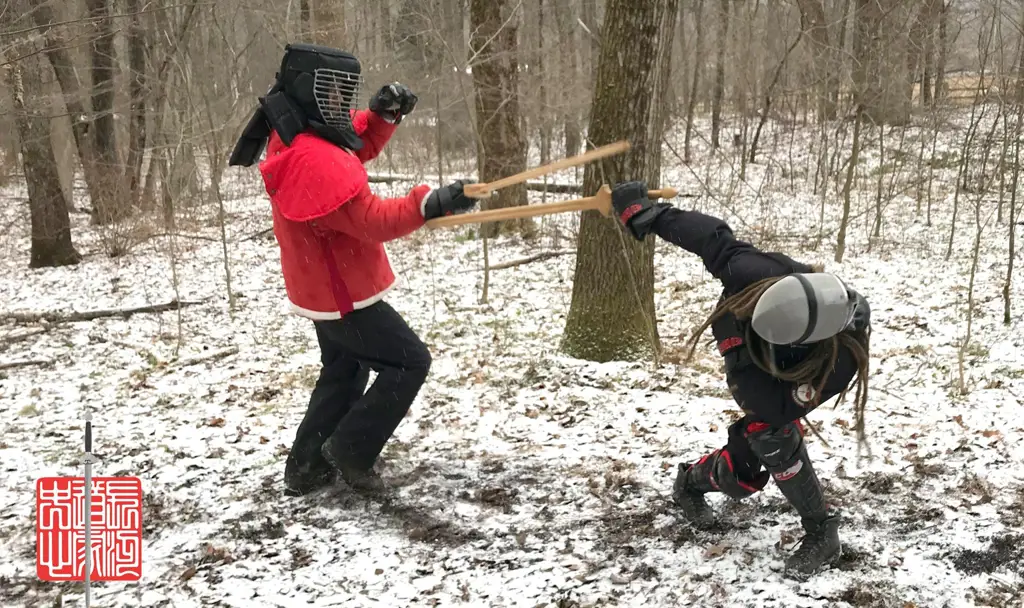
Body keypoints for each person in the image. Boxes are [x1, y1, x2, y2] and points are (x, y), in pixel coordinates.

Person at [228, 43, 477, 497]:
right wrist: (427, 204)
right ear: (309, 89)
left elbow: (344, 143)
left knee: (343, 372)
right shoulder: (309, 158)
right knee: (408, 362)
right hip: (341, 295)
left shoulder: (298, 130)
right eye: (334, 91)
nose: (342, 102)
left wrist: (379, 118)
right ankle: (350, 450)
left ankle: (306, 468)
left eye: (346, 91)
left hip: (322, 288)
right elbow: (370, 219)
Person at [609, 181, 871, 579]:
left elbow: (774, 412)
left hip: (794, 370)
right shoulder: (755, 276)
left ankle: (821, 532)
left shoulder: (841, 361)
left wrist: (764, 431)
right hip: (742, 327)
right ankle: (695, 482)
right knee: (743, 474)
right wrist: (651, 215)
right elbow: (712, 237)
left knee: (768, 435)